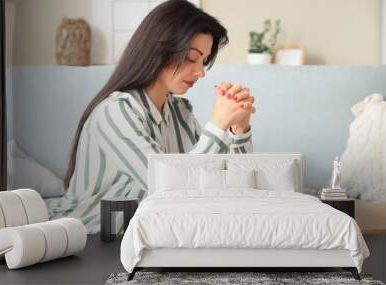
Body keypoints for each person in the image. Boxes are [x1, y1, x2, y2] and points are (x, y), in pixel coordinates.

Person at [48, 0, 256, 233]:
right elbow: (171, 188)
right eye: (191, 58)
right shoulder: (115, 112)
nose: (200, 72)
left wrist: (239, 129)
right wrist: (218, 125)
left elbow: (233, 184)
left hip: (142, 238)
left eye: (204, 61)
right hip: (87, 240)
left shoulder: (180, 112)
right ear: (161, 50)